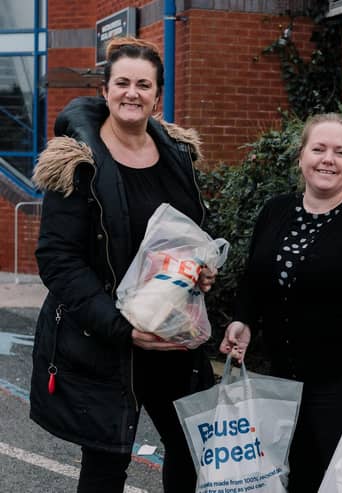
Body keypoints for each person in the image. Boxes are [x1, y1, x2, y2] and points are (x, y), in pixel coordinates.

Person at [29, 37, 217, 493]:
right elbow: (57, 259)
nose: (132, 92)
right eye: (123, 83)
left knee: (193, 447)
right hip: (105, 340)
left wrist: (202, 269)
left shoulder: (178, 156)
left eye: (144, 84)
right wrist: (119, 326)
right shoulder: (75, 161)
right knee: (106, 463)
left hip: (172, 334)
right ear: (107, 89)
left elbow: (190, 234)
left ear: (157, 96)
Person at [219, 113, 342, 492]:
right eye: (318, 148)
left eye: (340, 152)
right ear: (301, 156)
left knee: (339, 481)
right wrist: (243, 320)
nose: (328, 159)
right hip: (281, 379)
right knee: (287, 477)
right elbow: (254, 279)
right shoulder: (275, 211)